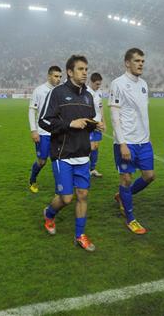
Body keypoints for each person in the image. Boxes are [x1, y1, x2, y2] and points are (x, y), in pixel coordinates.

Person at [40, 55, 103, 252]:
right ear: (70, 72)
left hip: (83, 155)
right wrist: (69, 124)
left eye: (86, 69)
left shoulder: (88, 96)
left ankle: (80, 235)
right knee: (66, 198)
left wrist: (95, 126)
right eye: (80, 69)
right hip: (63, 154)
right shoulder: (57, 93)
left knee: (82, 195)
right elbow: (44, 121)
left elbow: (87, 121)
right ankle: (49, 214)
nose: (85, 72)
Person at [110, 48, 155, 235]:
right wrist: (122, 143)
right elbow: (114, 115)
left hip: (144, 142)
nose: (141, 64)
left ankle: (122, 196)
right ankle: (130, 218)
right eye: (137, 61)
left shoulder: (144, 84)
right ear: (127, 63)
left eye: (142, 61)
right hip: (126, 141)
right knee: (126, 179)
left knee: (149, 176)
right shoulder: (118, 84)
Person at [28, 66, 62, 193]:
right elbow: (32, 110)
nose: (58, 79)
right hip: (43, 133)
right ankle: (32, 179)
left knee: (59, 160)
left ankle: (61, 187)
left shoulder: (61, 91)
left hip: (58, 132)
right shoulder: (39, 90)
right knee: (42, 161)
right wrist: (33, 130)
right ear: (49, 76)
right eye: (55, 76)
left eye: (60, 77)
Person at [87, 72, 106, 178]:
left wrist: (104, 122)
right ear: (91, 82)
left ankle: (92, 169)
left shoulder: (99, 92)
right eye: (97, 84)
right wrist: (94, 123)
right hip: (90, 124)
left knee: (96, 146)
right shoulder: (86, 92)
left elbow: (101, 107)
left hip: (98, 123)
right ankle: (85, 169)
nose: (98, 86)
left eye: (99, 84)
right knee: (91, 147)